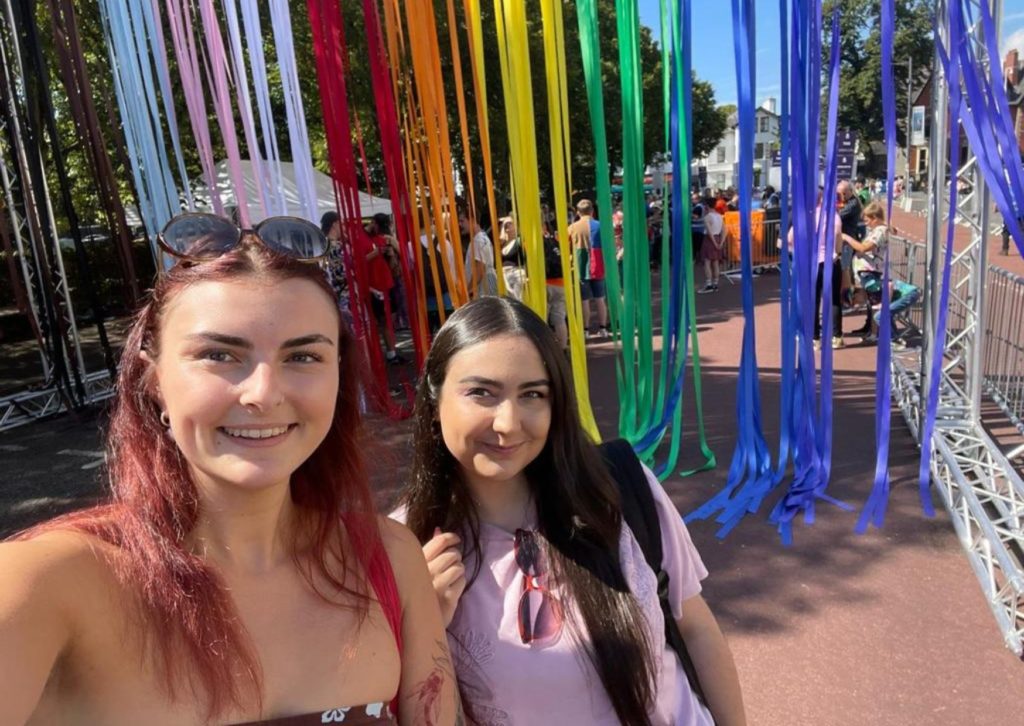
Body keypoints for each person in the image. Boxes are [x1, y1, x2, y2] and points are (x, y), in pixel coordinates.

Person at [0, 214, 459, 724]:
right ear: (153, 381)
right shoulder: (45, 582)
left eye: (303, 356)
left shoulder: (390, 561)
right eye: (219, 354)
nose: (263, 393)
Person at [396, 297, 746, 726]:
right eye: (481, 393)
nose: (508, 423)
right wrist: (424, 628)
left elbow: (694, 626)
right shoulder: (403, 547)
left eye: (532, 395)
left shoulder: (616, 487)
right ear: (434, 403)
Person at [354, 217, 406, 365]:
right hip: (373, 287)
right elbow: (357, 262)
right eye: (379, 227)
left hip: (388, 284)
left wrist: (389, 255)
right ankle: (385, 354)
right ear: (373, 223)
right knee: (380, 321)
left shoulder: (381, 238)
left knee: (390, 320)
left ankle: (392, 352)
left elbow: (395, 263)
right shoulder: (360, 238)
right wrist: (376, 253)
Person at [842, 201, 889, 341]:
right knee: (869, 301)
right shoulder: (878, 230)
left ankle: (875, 333)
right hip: (867, 271)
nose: (866, 224)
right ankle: (871, 330)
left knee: (875, 303)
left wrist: (847, 238)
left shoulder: (880, 231)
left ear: (875, 218)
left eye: (868, 220)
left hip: (872, 272)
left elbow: (863, 248)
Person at [567, 199, 609, 337]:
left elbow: (566, 247)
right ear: (592, 211)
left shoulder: (572, 227)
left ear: (578, 212)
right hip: (599, 266)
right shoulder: (602, 225)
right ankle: (603, 328)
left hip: (580, 267)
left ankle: (585, 330)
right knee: (600, 299)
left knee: (584, 300)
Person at [456, 201, 498, 299]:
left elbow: (480, 269)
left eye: (462, 221)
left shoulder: (478, 240)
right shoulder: (481, 238)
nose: (460, 224)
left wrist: (468, 290)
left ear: (472, 219)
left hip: (484, 289)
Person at [698, 200, 726, 293]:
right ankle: (715, 283)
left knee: (707, 262)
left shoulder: (707, 217)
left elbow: (709, 232)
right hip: (718, 237)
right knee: (716, 262)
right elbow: (724, 230)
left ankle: (709, 284)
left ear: (707, 206)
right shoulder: (719, 216)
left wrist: (714, 243)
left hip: (710, 240)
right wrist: (721, 243)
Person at [499, 216, 526, 301]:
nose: (507, 225)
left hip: (516, 273)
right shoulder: (502, 244)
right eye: (505, 224)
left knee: (517, 300)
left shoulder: (519, 241)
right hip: (504, 275)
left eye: (510, 223)